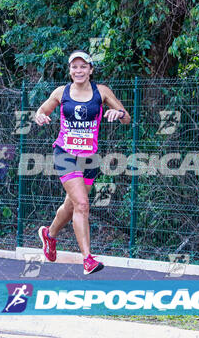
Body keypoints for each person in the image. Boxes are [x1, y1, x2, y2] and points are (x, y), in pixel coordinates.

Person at [34, 50, 130, 275]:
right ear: (70, 71)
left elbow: (126, 117)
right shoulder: (61, 92)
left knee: (72, 205)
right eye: (74, 67)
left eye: (83, 67)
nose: (78, 71)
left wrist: (118, 114)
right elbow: (42, 110)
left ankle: (49, 234)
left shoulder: (102, 91)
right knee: (83, 205)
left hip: (90, 157)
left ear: (90, 70)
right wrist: (39, 116)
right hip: (65, 154)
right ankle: (87, 259)